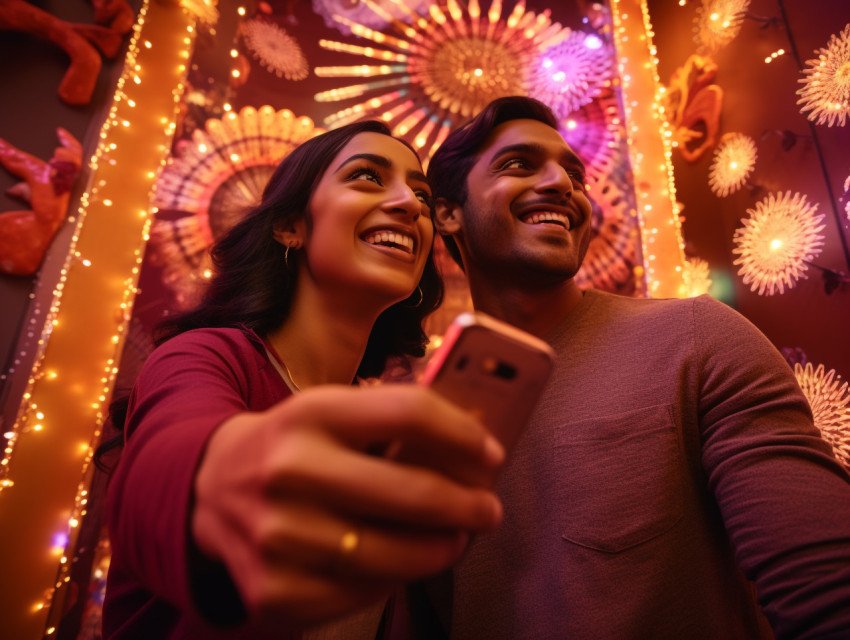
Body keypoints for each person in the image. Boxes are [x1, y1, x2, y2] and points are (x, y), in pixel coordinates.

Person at [417, 96, 850, 639]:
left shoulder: (696, 337)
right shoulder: (421, 415)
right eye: (520, 165)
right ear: (448, 212)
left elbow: (826, 587)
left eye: (574, 173)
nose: (562, 184)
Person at [102, 120, 506, 639]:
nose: (410, 203)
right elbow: (164, 459)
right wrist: (218, 476)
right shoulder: (208, 356)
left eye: (423, 196)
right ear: (290, 226)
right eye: (367, 177)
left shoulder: (390, 425)